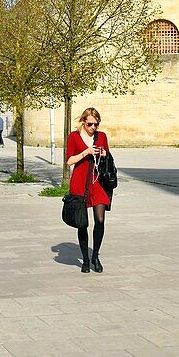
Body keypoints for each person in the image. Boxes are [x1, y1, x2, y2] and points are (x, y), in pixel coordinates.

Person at [65, 107, 111, 274]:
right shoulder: (74, 136)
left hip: (98, 182)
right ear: (83, 122)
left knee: (100, 220)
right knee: (82, 223)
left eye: (96, 124)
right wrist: (86, 152)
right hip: (80, 182)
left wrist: (104, 153)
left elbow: (109, 157)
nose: (93, 127)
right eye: (90, 124)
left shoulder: (102, 136)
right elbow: (69, 161)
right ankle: (85, 259)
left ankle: (95, 256)